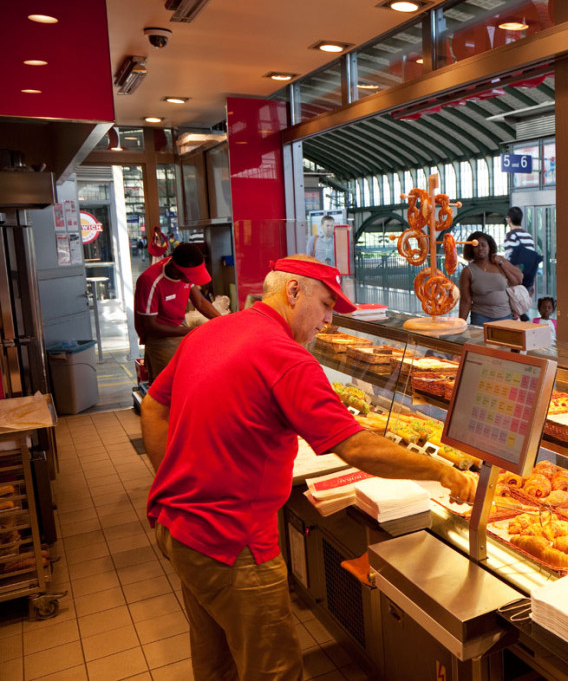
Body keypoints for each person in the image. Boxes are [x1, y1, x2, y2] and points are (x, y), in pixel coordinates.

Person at [142, 255, 476, 680]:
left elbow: (154, 406)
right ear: (293, 292)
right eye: (326, 306)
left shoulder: (213, 331)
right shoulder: (286, 357)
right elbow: (355, 447)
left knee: (216, 663)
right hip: (234, 541)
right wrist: (440, 471)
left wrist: (170, 478)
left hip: (179, 527)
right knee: (273, 670)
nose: (329, 321)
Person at [134, 243, 222, 382]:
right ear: (175, 270)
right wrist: (191, 331)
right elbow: (150, 327)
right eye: (191, 276)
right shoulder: (149, 281)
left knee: (191, 376)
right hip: (159, 338)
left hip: (180, 328)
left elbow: (199, 301)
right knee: (169, 383)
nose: (193, 280)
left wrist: (221, 320)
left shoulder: (183, 268)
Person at [458, 231, 524, 325]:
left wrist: (501, 263)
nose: (480, 248)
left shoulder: (500, 262)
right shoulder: (468, 271)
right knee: (480, 340)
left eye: (483, 245)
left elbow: (518, 279)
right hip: (480, 317)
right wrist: (460, 324)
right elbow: (465, 301)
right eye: (476, 246)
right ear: (471, 249)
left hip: (505, 315)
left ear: (489, 247)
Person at [503, 207, 539, 320]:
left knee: (513, 304)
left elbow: (509, 259)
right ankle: (521, 317)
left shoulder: (510, 236)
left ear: (509, 219)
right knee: (521, 302)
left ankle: (517, 319)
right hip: (528, 276)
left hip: (515, 276)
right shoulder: (528, 236)